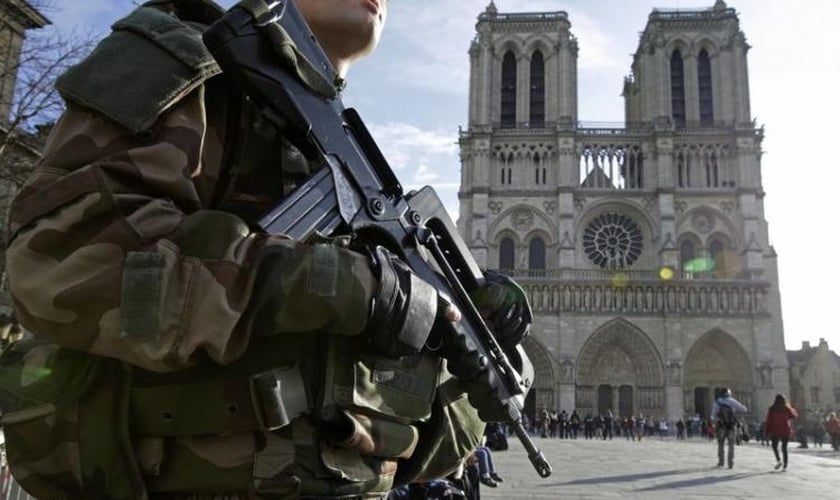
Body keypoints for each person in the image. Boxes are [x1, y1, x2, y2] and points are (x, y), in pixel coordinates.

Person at [0, 1, 534, 499]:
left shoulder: (356, 177)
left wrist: (466, 362)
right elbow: (62, 263)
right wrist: (340, 285)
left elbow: (408, 448)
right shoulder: (188, 61)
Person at [711, 387, 748, 469]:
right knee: (731, 444)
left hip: (721, 426)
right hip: (731, 426)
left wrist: (716, 422)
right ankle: (730, 463)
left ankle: (721, 461)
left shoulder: (717, 402)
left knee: (721, 444)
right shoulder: (732, 401)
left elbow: (713, 415)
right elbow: (744, 409)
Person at [764, 393, 798, 471]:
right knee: (784, 448)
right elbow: (794, 416)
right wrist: (790, 407)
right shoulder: (786, 408)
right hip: (785, 430)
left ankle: (779, 460)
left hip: (775, 430)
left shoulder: (772, 409)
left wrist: (767, 431)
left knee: (774, 446)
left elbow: (769, 421)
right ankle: (785, 466)